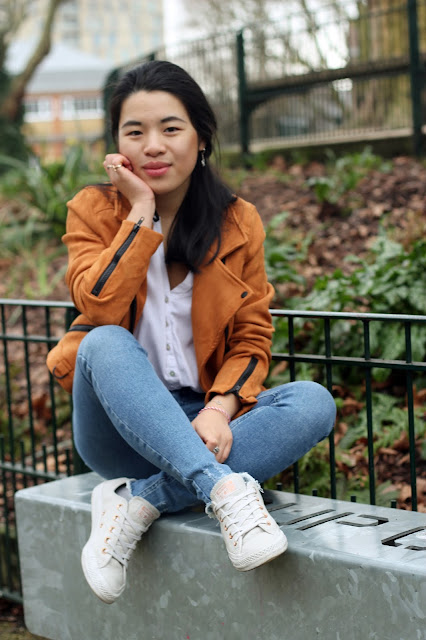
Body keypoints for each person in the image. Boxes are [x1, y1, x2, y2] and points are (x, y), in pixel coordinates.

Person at [47, 60, 336, 605]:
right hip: (119, 429)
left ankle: (138, 504)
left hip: (199, 423)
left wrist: (218, 408)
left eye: (170, 128)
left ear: (200, 137)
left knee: (314, 402)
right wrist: (140, 212)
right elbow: (98, 305)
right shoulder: (94, 211)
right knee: (102, 340)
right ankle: (223, 490)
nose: (153, 145)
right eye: (135, 132)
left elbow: (252, 336)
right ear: (117, 147)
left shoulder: (237, 220)